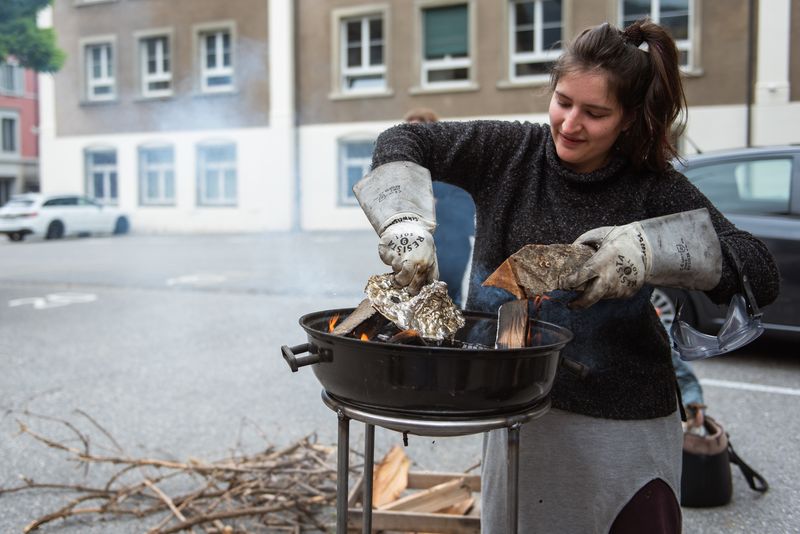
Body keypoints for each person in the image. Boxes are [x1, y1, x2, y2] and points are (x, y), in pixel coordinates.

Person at [353, 18, 780, 533]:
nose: (570, 123)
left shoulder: (654, 187)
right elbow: (402, 139)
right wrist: (403, 222)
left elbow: (758, 271)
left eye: (595, 113)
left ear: (628, 119)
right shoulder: (508, 152)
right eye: (563, 101)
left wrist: (650, 251)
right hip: (519, 409)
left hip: (626, 420)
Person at [403, 108, 475, 308]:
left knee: (448, 301)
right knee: (414, 302)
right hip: (416, 247)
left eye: (417, 130)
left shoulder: (450, 160)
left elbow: (466, 204)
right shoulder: (409, 165)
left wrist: (434, 205)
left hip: (451, 246)